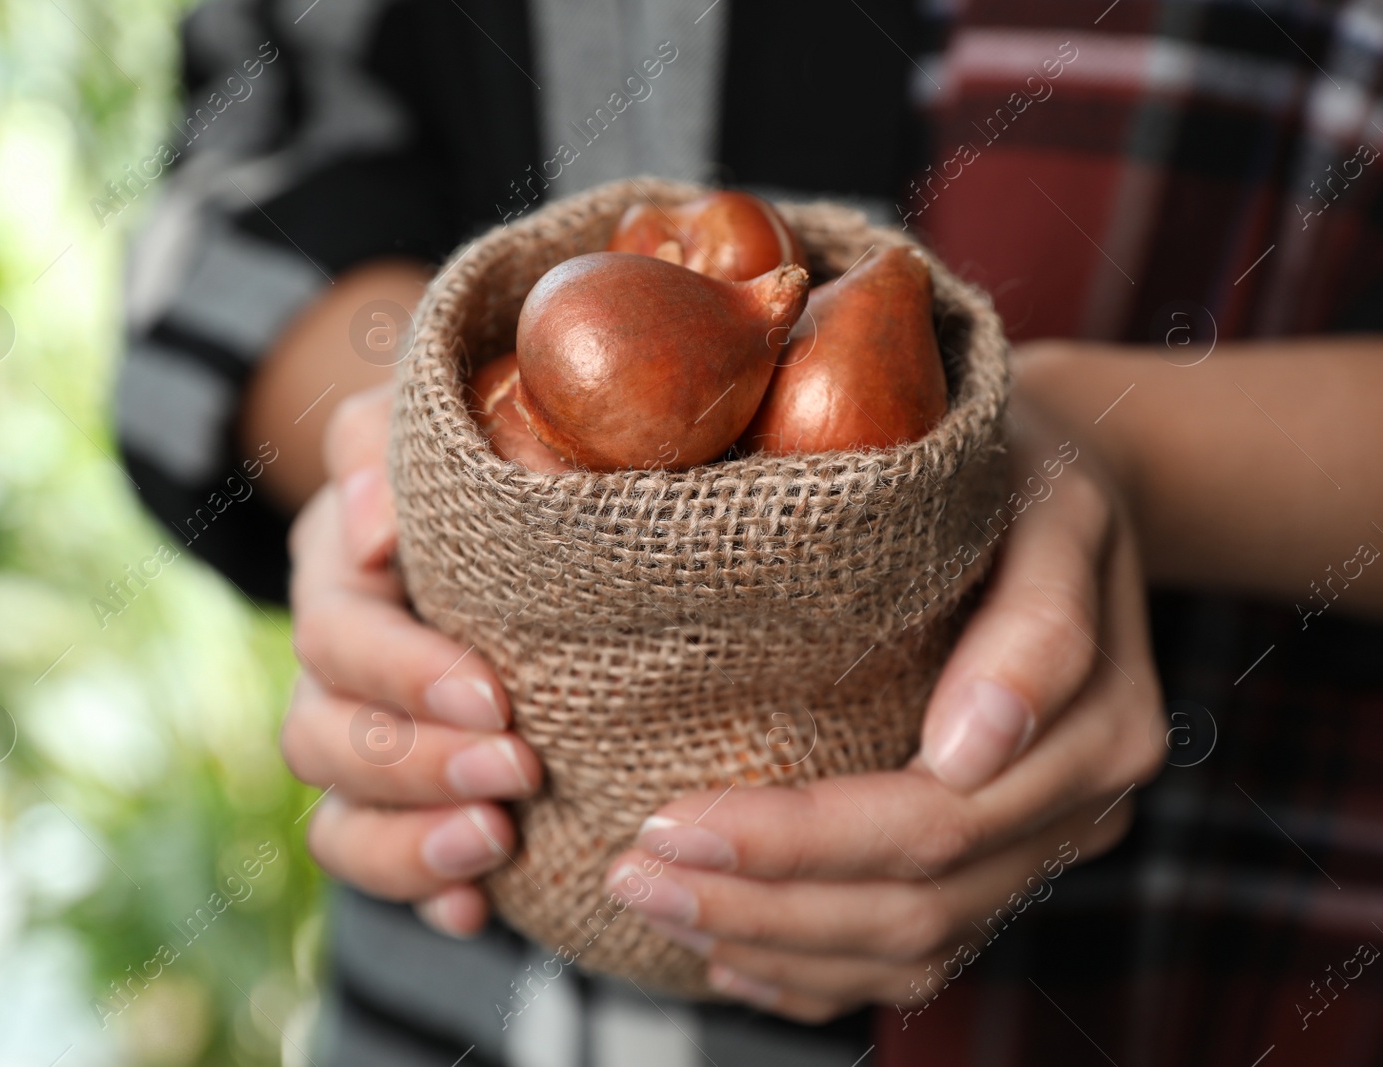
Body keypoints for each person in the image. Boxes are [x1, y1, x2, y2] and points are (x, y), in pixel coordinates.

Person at [117, 0, 1383, 1063]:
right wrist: (393, 460)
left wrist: (1130, 464)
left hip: (1215, 947)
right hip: (490, 1012)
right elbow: (249, 164)